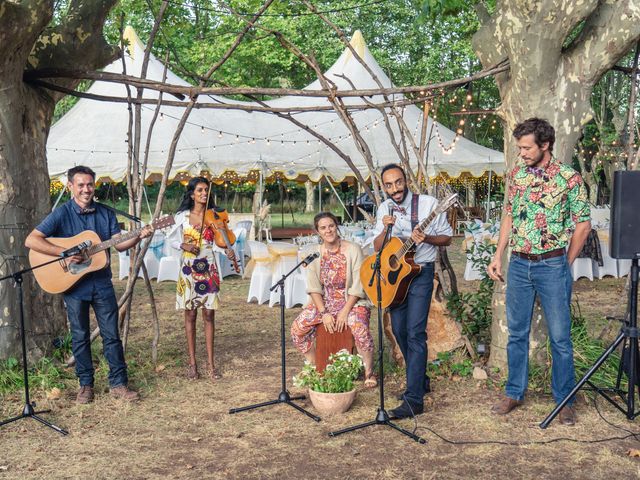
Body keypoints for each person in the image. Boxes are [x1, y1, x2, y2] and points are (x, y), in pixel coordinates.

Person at [487, 118, 591, 426]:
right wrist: (498, 254)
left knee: (560, 338)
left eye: (527, 147)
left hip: (552, 265)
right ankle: (514, 392)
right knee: (516, 333)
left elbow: (583, 225)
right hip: (518, 265)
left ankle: (565, 401)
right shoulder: (517, 173)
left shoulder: (569, 178)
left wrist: (564, 262)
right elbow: (509, 214)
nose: (521, 153)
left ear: (545, 145)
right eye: (519, 147)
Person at [25, 165, 152, 404]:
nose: (86, 189)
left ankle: (118, 384)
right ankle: (86, 385)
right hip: (74, 286)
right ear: (71, 186)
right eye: (81, 185)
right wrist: (63, 252)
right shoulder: (62, 214)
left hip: (101, 282)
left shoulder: (105, 213)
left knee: (111, 334)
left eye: (90, 184)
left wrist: (139, 235)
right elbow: (31, 240)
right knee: (80, 336)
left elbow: (118, 243)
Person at [371, 163, 453, 419]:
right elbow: (377, 247)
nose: (394, 188)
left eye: (398, 182)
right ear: (383, 186)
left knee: (415, 332)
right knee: (398, 330)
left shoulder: (428, 204)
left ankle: (414, 399)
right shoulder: (384, 208)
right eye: (388, 184)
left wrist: (425, 238)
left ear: (406, 181)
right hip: (396, 278)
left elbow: (447, 237)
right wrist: (385, 228)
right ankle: (421, 380)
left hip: (420, 274)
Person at [291, 212, 376, 386]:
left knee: (359, 327)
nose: (328, 230)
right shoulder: (314, 253)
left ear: (336, 226)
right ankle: (316, 367)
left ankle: (369, 372)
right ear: (318, 231)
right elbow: (313, 287)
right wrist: (324, 313)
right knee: (297, 330)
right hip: (325, 302)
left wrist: (345, 311)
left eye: (331, 225)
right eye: (323, 227)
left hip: (352, 301)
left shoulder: (353, 249)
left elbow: (358, 286)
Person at [167, 177, 235, 381]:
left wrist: (227, 252)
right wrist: (184, 246)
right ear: (191, 194)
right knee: (190, 315)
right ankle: (192, 364)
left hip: (209, 267)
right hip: (189, 269)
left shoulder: (213, 216)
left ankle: (211, 364)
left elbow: (218, 243)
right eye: (200, 190)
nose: (204, 193)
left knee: (209, 315)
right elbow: (170, 240)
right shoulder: (182, 217)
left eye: (206, 190)